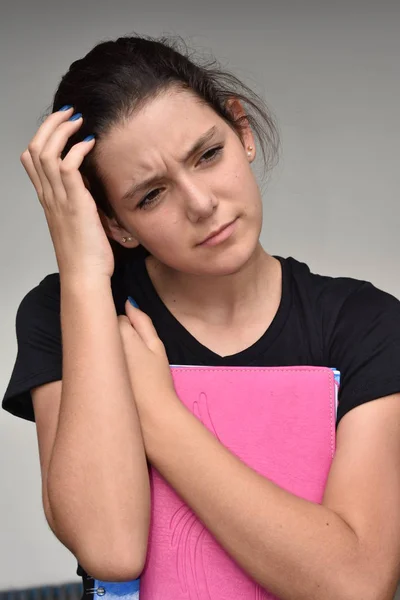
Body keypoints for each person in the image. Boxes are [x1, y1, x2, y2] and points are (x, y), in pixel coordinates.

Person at [2, 32, 400, 599]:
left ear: (241, 130)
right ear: (114, 224)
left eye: (207, 155)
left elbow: (355, 584)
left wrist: (158, 416)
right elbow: (110, 548)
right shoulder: (66, 311)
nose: (201, 203)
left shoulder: (366, 323)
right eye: (149, 196)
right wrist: (84, 272)